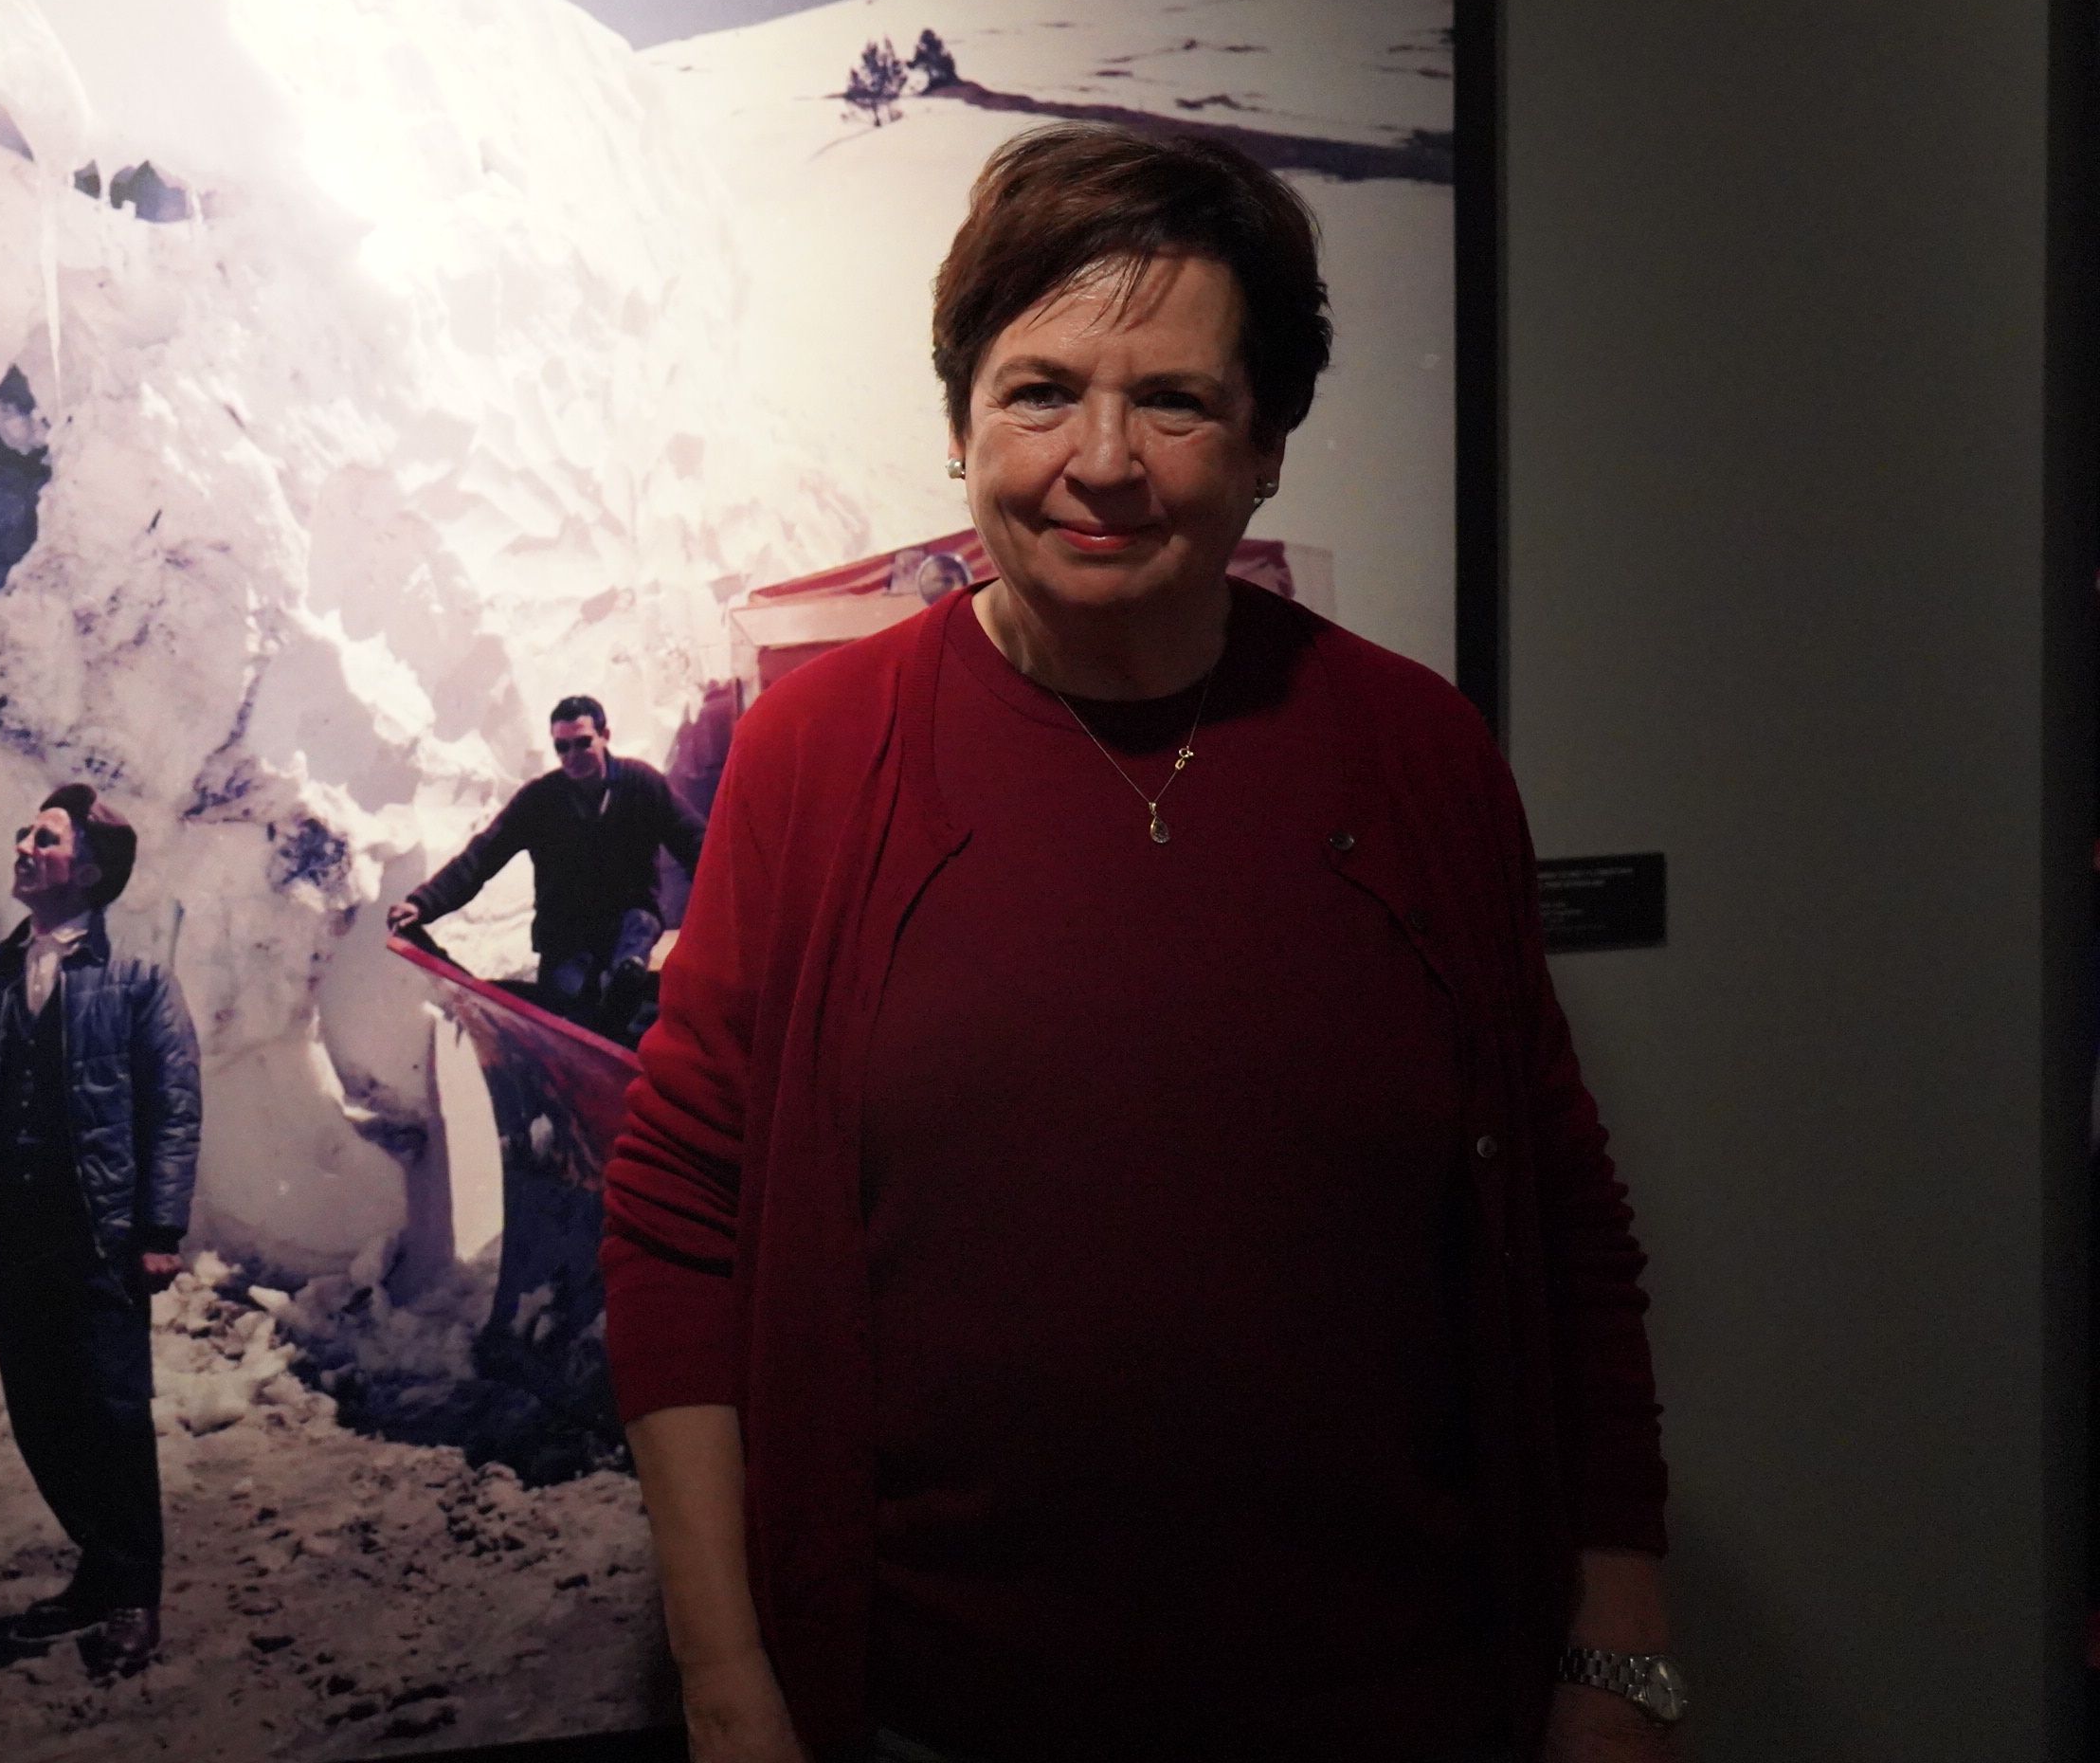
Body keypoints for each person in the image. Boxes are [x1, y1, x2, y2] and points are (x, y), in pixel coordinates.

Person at [601, 124, 1678, 1763]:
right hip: (928, 1714)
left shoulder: (1414, 750)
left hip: (1398, 1704)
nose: (1099, 458)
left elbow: (1561, 1215)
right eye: (1038, 389)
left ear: (1266, 441)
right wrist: (725, 1667)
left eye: (1171, 398)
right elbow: (681, 1207)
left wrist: (1621, 1650)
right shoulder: (823, 753)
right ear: (961, 422)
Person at [0, 782, 201, 1681]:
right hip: (11, 1237)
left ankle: (132, 1593)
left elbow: (174, 1110)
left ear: (85, 870)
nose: (21, 846)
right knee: (42, 1417)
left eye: (42, 839)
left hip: (100, 1238)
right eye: (23, 833)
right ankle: (100, 1569)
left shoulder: (138, 984)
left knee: (113, 1414)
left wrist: (159, 1226)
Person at [387, 695, 705, 1043]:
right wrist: (423, 903)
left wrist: (727, 899)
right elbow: (482, 855)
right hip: (567, 936)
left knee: (635, 941)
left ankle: (628, 979)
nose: (572, 756)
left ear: (605, 736)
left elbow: (694, 841)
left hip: (628, 927)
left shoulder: (641, 785)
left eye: (582, 743)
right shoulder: (539, 801)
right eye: (562, 747)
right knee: (568, 1018)